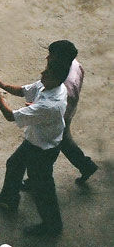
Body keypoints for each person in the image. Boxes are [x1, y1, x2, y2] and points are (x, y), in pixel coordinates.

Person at [0, 57, 69, 236]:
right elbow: (23, 91)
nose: (42, 73)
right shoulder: (51, 85)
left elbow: (9, 116)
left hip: (42, 150)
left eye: (47, 73)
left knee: (42, 190)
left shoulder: (49, 105)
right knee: (14, 164)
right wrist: (1, 83)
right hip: (35, 141)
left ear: (56, 78)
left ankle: (52, 226)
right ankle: (9, 198)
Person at [45, 40, 98, 184]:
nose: (47, 58)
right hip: (69, 111)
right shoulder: (75, 65)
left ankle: (35, 179)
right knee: (65, 142)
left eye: (51, 55)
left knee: (46, 149)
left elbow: (56, 106)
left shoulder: (63, 85)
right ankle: (86, 166)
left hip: (60, 115)